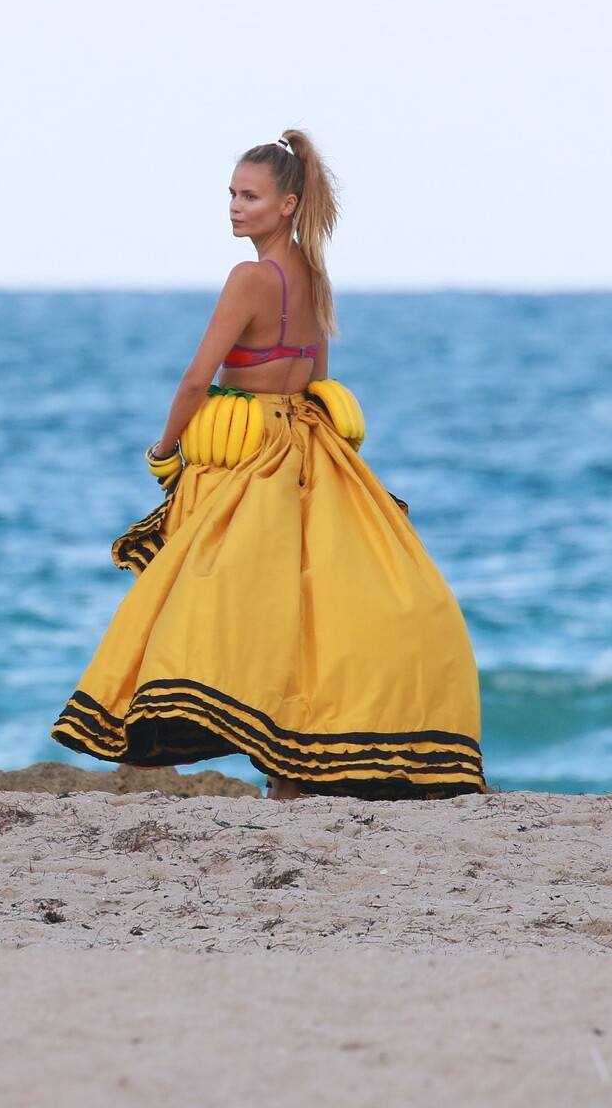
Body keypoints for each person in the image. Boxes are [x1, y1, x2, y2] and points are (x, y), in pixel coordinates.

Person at [49, 129, 486, 801]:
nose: (234, 206)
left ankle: (280, 770)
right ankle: (294, 772)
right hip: (308, 448)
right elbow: (318, 379)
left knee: (229, 608)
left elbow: (196, 380)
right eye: (231, 193)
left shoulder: (249, 279)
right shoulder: (314, 276)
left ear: (287, 204)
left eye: (250, 196)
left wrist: (163, 450)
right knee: (309, 611)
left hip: (249, 457)